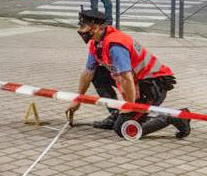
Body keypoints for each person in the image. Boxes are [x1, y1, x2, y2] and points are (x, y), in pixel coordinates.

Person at [67, 10, 191, 139]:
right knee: (98, 74)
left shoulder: (115, 45)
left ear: (97, 27)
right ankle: (116, 114)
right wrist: (78, 100)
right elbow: (88, 73)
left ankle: (174, 117)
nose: (80, 31)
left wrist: (129, 106)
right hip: (137, 82)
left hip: (152, 86)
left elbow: (126, 78)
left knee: (124, 129)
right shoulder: (96, 43)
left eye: (83, 26)